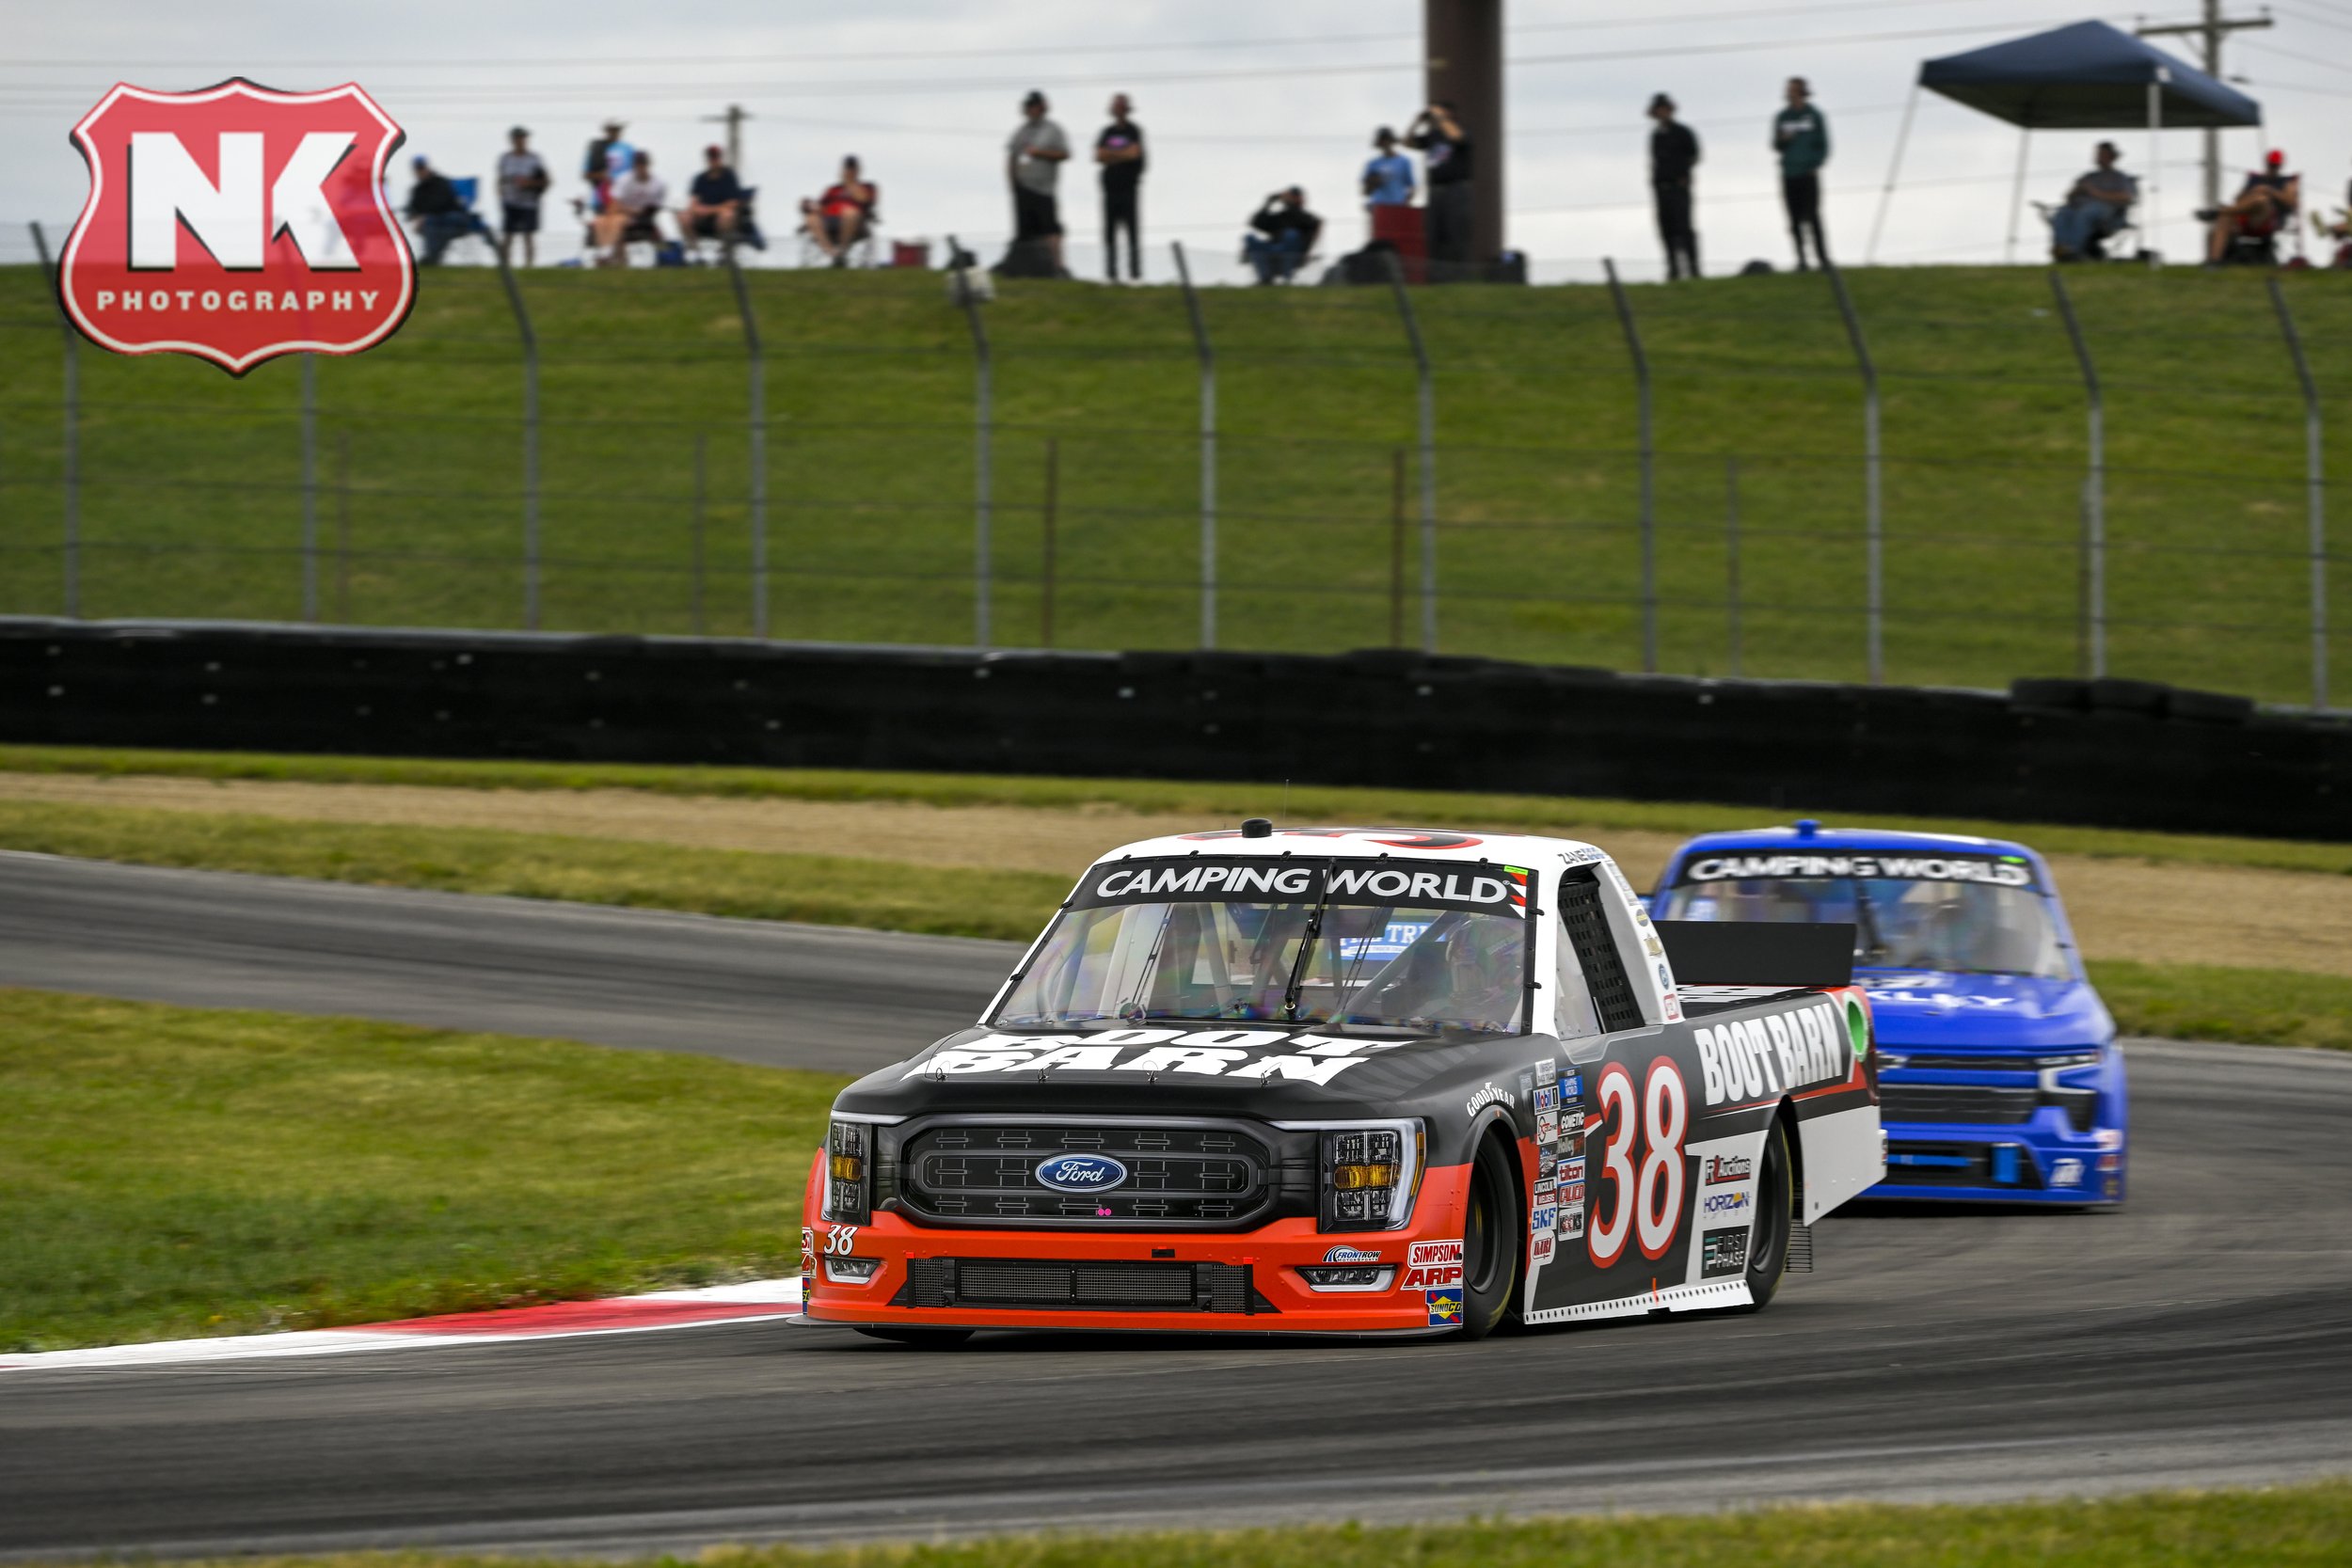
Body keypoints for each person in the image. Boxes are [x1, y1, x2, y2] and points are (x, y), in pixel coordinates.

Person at [1406, 102, 1474, 276]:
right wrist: (1417, 122)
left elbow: (1457, 138)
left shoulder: (1461, 131)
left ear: (1450, 114)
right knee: (1433, 234)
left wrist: (1440, 117)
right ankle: (1436, 275)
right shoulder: (1432, 137)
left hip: (1456, 189)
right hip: (1436, 191)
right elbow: (1407, 142)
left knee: (1457, 233)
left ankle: (1461, 274)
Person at [1007, 89, 1071, 272]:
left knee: (1050, 230)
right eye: (1028, 107)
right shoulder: (1021, 131)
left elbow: (1064, 153)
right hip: (1023, 189)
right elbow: (1012, 156)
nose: (1030, 110)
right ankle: (1029, 267)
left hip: (1044, 189)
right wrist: (1013, 184)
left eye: (1033, 106)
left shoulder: (1053, 130)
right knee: (1025, 233)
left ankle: (1056, 267)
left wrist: (1039, 153)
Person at [1772, 77, 1830, 270]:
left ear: (1802, 92)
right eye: (1789, 90)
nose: (1790, 93)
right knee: (1794, 219)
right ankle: (1801, 260)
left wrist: (1816, 164)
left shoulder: (1814, 115)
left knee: (1813, 216)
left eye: (1794, 90)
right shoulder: (1782, 117)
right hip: (1789, 173)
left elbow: (1823, 145)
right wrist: (1783, 140)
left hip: (1808, 174)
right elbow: (1776, 145)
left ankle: (1822, 259)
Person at [2205, 150, 2300, 264]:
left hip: (2268, 220)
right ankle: (2214, 262)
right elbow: (2238, 199)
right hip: (2245, 217)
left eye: (2276, 165)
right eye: (2271, 165)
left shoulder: (2287, 182)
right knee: (2225, 218)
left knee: (2261, 200)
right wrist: (2250, 194)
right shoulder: (2254, 179)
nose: (2273, 167)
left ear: (2280, 166)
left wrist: (2268, 191)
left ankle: (2219, 211)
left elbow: (2290, 201)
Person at [2049, 141, 2137, 261]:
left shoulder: (2119, 177)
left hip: (2106, 214)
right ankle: (2061, 249)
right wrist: (2076, 191)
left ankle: (2074, 251)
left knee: (2087, 212)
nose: (2099, 157)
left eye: (2102, 154)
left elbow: (2126, 197)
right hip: (2077, 208)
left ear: (2112, 157)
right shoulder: (2088, 176)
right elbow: (2068, 197)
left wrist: (2094, 192)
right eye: (2097, 154)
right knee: (2063, 212)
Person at [1648, 93, 1701, 280]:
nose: (1661, 113)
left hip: (1679, 188)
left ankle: (1694, 269)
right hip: (1661, 189)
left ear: (1670, 110)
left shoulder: (1683, 132)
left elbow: (1695, 155)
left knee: (1684, 228)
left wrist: (1683, 174)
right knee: (1666, 229)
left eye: (1664, 109)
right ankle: (1673, 270)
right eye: (1658, 110)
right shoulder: (1656, 136)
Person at [1095, 93, 1146, 282]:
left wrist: (1113, 155)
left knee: (1132, 229)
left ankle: (1135, 272)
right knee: (1109, 230)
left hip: (1129, 188)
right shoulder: (1107, 132)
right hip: (1110, 189)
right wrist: (1121, 154)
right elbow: (1099, 155)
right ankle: (1111, 272)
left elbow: (1135, 154)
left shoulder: (1134, 131)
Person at [592, 149, 667, 266]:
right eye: (638, 164)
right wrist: (630, 210)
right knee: (600, 221)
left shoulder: (658, 184)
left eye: (643, 164)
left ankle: (606, 254)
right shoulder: (624, 180)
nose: (640, 167)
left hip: (643, 218)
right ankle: (605, 253)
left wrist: (636, 212)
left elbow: (655, 207)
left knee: (618, 221)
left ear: (648, 164)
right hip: (623, 213)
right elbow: (614, 205)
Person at [801, 155, 877, 264]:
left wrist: (850, 183)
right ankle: (832, 253)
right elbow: (821, 206)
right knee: (811, 218)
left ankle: (842, 250)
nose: (850, 171)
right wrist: (810, 206)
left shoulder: (868, 187)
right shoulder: (833, 189)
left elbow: (865, 200)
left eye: (852, 169)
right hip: (829, 220)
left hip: (855, 223)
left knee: (849, 212)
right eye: (848, 169)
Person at [1242, 187, 1321, 284]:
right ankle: (1265, 279)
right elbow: (1255, 222)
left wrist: (1292, 204)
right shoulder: (1279, 217)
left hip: (1292, 253)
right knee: (1249, 237)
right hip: (1271, 250)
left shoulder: (1306, 217)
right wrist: (1268, 203)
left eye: (1291, 196)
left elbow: (1314, 224)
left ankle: (1286, 278)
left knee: (1291, 235)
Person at [403, 155, 470, 266]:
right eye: (418, 169)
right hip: (433, 222)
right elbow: (413, 207)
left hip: (454, 218)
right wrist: (413, 216)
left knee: (431, 224)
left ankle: (431, 257)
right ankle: (433, 258)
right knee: (431, 226)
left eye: (422, 168)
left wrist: (423, 217)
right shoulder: (417, 189)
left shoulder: (441, 183)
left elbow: (442, 204)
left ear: (427, 167)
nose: (420, 171)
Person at [495, 126, 548, 267]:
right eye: (518, 138)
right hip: (510, 201)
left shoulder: (535, 159)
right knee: (508, 235)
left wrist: (529, 183)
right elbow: (499, 180)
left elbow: (546, 181)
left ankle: (529, 265)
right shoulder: (505, 158)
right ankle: (504, 266)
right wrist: (500, 196)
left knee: (528, 236)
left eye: (523, 138)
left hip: (529, 202)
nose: (521, 141)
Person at [683, 144, 747, 246]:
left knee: (727, 215)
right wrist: (698, 210)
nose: (713, 160)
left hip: (722, 220)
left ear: (720, 158)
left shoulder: (729, 176)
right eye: (711, 157)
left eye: (716, 157)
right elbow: (693, 204)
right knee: (685, 216)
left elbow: (733, 203)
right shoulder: (700, 179)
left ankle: (724, 251)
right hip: (703, 219)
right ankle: (694, 253)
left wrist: (709, 210)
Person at [1364, 125, 1416, 210]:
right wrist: (1373, 183)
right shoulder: (1373, 164)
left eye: (1386, 140)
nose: (1385, 143)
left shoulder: (1404, 162)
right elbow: (1366, 192)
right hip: (1379, 207)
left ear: (1391, 141)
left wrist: (1406, 203)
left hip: (1398, 206)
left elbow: (1412, 186)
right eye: (1382, 140)